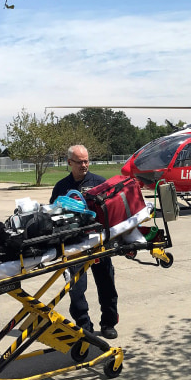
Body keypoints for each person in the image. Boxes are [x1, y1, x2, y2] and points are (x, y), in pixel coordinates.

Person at [50, 145, 119, 340]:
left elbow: (112, 211)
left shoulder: (99, 183)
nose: (84, 165)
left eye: (86, 161)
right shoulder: (61, 187)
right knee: (76, 288)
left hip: (99, 242)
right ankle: (83, 324)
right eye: (79, 162)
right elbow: (52, 214)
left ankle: (108, 323)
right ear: (69, 162)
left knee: (107, 284)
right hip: (74, 246)